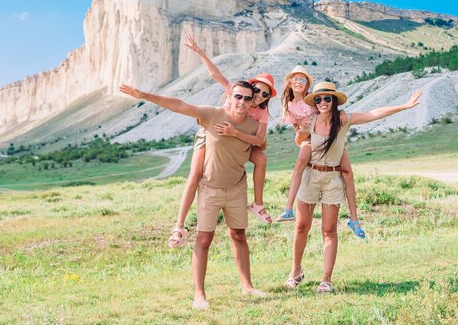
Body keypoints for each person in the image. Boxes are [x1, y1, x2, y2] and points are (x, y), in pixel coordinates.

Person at [119, 81, 267, 309]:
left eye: (248, 98)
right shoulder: (212, 114)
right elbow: (179, 105)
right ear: (230, 95)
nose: (243, 102)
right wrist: (143, 94)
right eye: (238, 97)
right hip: (210, 188)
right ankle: (199, 295)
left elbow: (260, 146)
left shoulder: (253, 125)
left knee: (239, 235)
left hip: (237, 187)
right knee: (204, 239)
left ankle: (247, 286)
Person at [285, 82, 422, 293]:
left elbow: (373, 114)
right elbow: (299, 140)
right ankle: (296, 271)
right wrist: (302, 134)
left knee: (329, 230)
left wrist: (403, 107)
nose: (322, 102)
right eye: (319, 99)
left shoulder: (343, 119)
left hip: (332, 177)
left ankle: (326, 279)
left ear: (334, 101)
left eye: (327, 99)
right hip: (310, 175)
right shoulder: (310, 120)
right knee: (302, 226)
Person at [168, 35, 275, 249]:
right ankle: (179, 225)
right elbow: (215, 74)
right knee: (195, 175)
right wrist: (199, 51)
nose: (259, 96)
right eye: (257, 91)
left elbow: (261, 142)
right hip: (213, 134)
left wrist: (234, 133)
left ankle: (258, 203)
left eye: (266, 94)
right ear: (250, 88)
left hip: (239, 141)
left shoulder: (262, 112)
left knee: (261, 158)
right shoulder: (238, 93)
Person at [276, 67, 364, 239]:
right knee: (300, 164)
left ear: (308, 83)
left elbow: (333, 113)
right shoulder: (290, 105)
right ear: (289, 82)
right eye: (295, 79)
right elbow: (298, 132)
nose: (298, 83)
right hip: (310, 139)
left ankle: (354, 219)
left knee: (347, 173)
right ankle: (288, 208)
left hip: (331, 140)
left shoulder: (316, 97)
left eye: (302, 80)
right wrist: (303, 130)